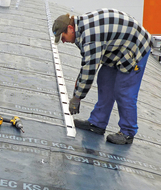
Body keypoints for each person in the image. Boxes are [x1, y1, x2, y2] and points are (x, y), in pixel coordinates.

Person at [52, 8, 153, 145]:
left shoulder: (90, 37)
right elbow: (87, 64)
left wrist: (77, 97)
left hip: (136, 47)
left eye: (63, 37)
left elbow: (89, 70)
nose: (63, 41)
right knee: (105, 81)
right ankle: (97, 123)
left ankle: (128, 133)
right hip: (118, 48)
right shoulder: (81, 28)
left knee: (123, 90)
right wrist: (77, 94)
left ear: (70, 28)